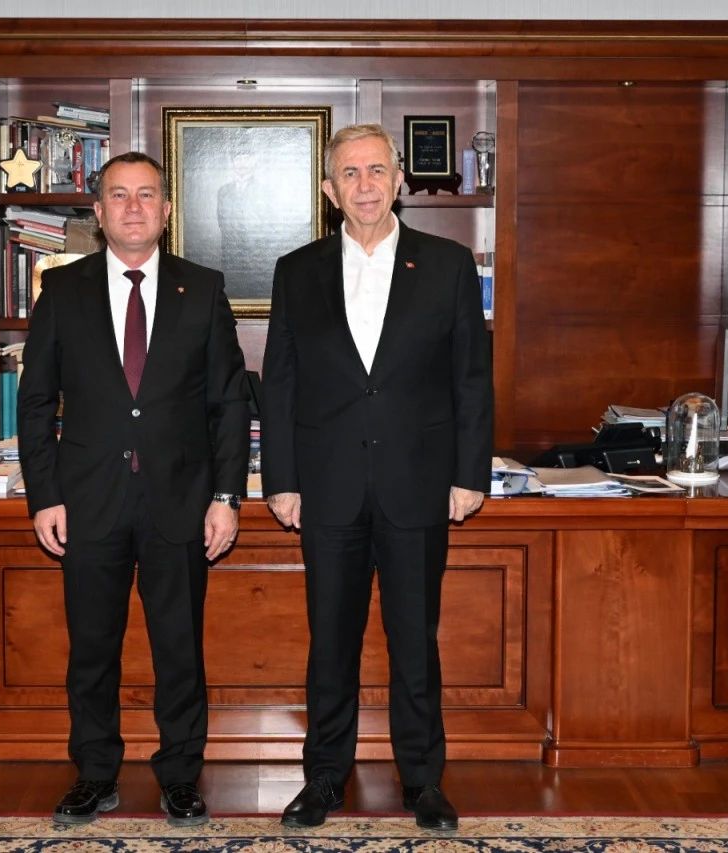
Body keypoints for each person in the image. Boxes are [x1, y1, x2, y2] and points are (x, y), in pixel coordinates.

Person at [260, 124, 493, 832]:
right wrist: (281, 480)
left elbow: (471, 379)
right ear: (330, 191)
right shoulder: (296, 271)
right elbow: (280, 383)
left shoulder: (448, 265)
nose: (365, 185)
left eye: (377, 170)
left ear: (399, 180)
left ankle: (423, 780)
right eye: (350, 173)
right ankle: (323, 778)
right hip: (326, 484)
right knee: (330, 642)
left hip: (418, 482)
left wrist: (469, 474)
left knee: (414, 640)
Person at [17, 152, 250, 828]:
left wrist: (226, 497)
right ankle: (95, 773)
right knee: (93, 648)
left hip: (182, 500)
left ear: (166, 210)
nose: (133, 207)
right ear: (98, 212)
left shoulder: (201, 289)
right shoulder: (62, 290)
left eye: (147, 195)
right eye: (119, 195)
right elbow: (36, 403)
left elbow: (229, 403)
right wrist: (45, 495)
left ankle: (180, 774)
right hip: (88, 502)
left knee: (179, 647)